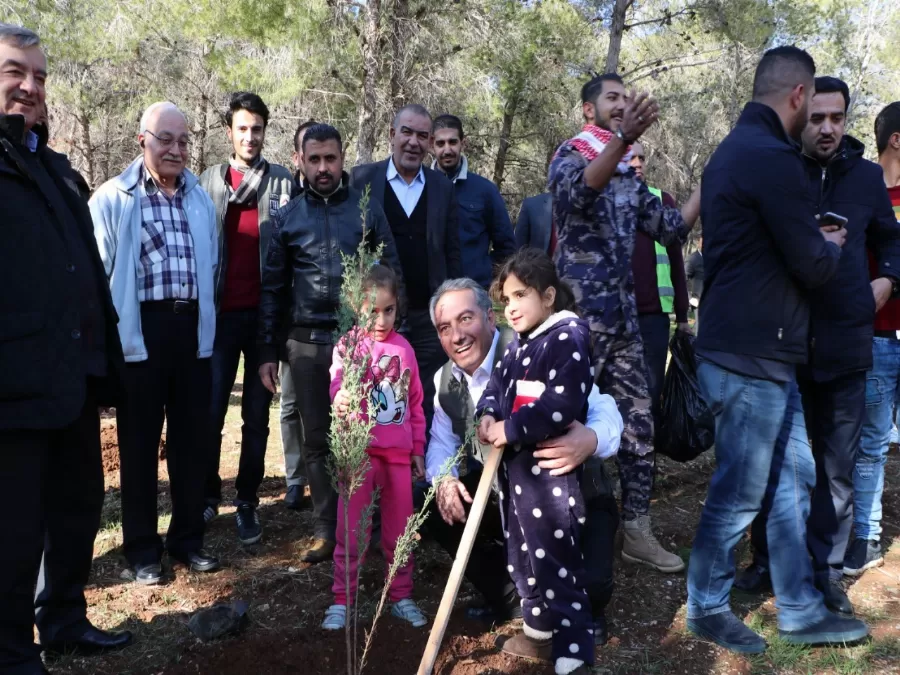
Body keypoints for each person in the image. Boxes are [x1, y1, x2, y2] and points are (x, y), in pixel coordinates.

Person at [687, 46, 868, 653]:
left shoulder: (734, 150)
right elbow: (811, 265)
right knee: (739, 492)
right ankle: (706, 606)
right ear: (798, 95)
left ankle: (799, 608)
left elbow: (757, 246)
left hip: (758, 353)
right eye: (810, 103)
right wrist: (831, 244)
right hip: (749, 356)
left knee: (794, 479)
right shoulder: (771, 157)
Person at [734, 78, 900, 616]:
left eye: (837, 118)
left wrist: (888, 279)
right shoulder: (777, 171)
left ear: (847, 119)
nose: (827, 128)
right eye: (817, 118)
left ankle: (826, 573)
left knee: (836, 468)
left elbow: (892, 237)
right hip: (780, 344)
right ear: (800, 116)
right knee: (771, 459)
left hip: (846, 343)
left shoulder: (867, 177)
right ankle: (766, 560)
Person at [0, 22, 132, 671]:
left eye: (39, 76)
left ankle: (63, 619)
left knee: (78, 507)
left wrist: (104, 356)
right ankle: (10, 651)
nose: (30, 87)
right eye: (14, 72)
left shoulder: (53, 166)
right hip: (14, 384)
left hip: (74, 373)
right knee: (13, 528)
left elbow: (84, 268)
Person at [549, 73, 700, 573]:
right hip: (577, 330)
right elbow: (576, 196)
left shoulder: (628, 174)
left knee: (639, 429)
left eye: (624, 97)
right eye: (610, 98)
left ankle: (637, 531)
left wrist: (710, 182)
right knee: (565, 426)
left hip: (626, 329)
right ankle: (563, 532)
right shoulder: (570, 155)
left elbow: (670, 228)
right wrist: (623, 140)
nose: (620, 104)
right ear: (588, 110)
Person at [425, 278, 623, 644]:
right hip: (506, 496)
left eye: (466, 319)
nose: (457, 336)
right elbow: (441, 442)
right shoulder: (444, 381)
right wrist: (445, 479)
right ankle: (515, 598)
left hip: (572, 492)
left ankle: (565, 598)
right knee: (433, 505)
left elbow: (605, 408)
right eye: (444, 328)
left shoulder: (540, 348)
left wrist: (590, 439)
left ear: (490, 317)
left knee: (591, 590)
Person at [257, 123, 404, 564]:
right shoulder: (287, 217)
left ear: (342, 159)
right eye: (314, 159)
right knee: (318, 439)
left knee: (368, 435)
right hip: (305, 345)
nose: (323, 168)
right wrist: (267, 351)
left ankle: (370, 525)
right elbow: (272, 289)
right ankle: (328, 529)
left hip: (360, 345)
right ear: (300, 161)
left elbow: (391, 272)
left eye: (331, 159)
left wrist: (390, 337)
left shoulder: (366, 210)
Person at [91, 101, 221, 584]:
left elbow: (212, 269)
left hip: (191, 333)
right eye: (165, 139)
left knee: (191, 444)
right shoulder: (113, 198)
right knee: (139, 447)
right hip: (140, 335)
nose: (175, 149)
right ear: (141, 140)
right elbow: (98, 279)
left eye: (183, 141)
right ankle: (143, 550)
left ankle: (186, 540)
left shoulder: (199, 200)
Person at [476, 249, 595, 675]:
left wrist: (510, 428)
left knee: (556, 562)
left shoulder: (566, 339)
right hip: (517, 481)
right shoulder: (516, 347)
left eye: (520, 295)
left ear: (548, 296)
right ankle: (539, 632)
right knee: (522, 557)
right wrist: (487, 413)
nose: (511, 307)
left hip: (550, 483)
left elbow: (561, 404)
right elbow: (495, 387)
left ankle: (575, 648)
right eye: (506, 299)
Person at [198, 92, 296, 544]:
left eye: (257, 129)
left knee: (256, 417)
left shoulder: (282, 182)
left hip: (263, 319)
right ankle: (206, 496)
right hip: (219, 318)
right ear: (229, 132)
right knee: (211, 412)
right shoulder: (209, 181)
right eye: (242, 128)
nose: (250, 137)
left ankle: (247, 502)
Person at [321, 265, 429, 630]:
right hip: (360, 456)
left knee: (399, 532)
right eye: (372, 311)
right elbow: (337, 384)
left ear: (398, 306)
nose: (381, 320)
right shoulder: (348, 345)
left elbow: (415, 405)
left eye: (389, 310)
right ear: (356, 306)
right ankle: (343, 599)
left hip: (397, 458)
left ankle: (400, 595)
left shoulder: (405, 350)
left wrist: (417, 449)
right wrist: (340, 397)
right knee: (351, 531)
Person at [350, 104, 463, 432]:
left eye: (422, 136)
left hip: (430, 318)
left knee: (427, 400)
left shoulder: (442, 187)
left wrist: (454, 304)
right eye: (407, 132)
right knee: (377, 398)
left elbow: (453, 251)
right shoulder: (362, 180)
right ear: (392, 134)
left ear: (429, 142)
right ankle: (380, 460)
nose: (414, 142)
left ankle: (422, 462)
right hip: (379, 316)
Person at [846, 101, 900, 577]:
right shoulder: (860, 190)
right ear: (896, 139)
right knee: (871, 445)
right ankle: (865, 535)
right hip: (878, 339)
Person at [628, 141, 691, 430]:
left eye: (642, 157)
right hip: (614, 317)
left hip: (653, 318)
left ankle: (645, 448)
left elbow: (677, 261)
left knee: (650, 393)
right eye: (631, 158)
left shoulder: (662, 201)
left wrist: (683, 316)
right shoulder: (602, 199)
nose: (638, 163)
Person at [431, 114, 516, 288]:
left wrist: (484, 273)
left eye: (452, 142)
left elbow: (507, 246)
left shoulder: (485, 190)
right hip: (430, 292)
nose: (447, 150)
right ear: (431, 145)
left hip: (474, 292)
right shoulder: (421, 187)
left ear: (463, 143)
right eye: (440, 143)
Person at [281, 118, 318, 509]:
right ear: (298, 157)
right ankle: (295, 478)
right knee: (290, 404)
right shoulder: (285, 202)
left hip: (327, 329)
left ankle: (329, 474)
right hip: (291, 326)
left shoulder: (342, 202)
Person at [685, 235, 704, 308]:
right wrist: (690, 298)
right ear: (699, 243)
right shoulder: (692, 259)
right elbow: (682, 279)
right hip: (698, 305)